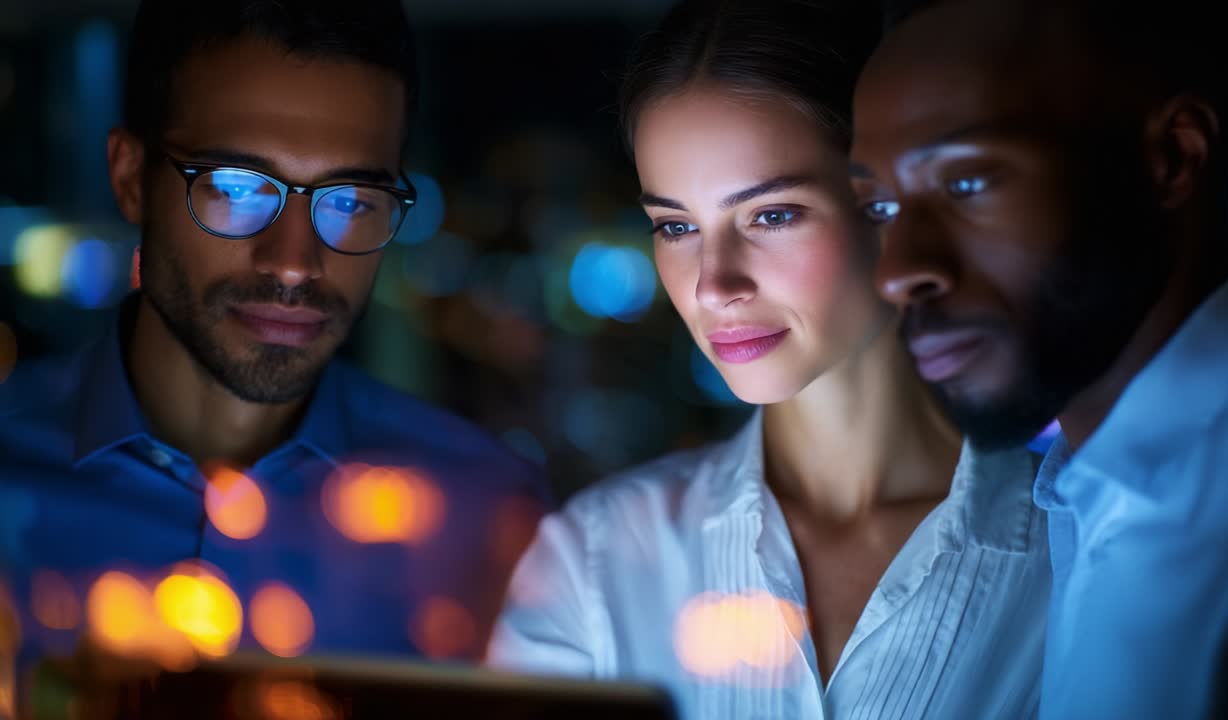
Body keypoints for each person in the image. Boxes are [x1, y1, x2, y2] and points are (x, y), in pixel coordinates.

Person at [487, 1, 1051, 717]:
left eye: (772, 214)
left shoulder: (1083, 544)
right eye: (677, 226)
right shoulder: (597, 559)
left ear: (887, 203)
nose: (714, 284)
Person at [0, 0, 548, 695]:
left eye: (349, 200)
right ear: (131, 178)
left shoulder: (488, 516)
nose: (294, 263)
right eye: (236, 188)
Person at [850, 0, 1228, 717]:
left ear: (1172, 157)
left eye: (966, 182)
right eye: (882, 207)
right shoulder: (1080, 490)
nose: (897, 272)